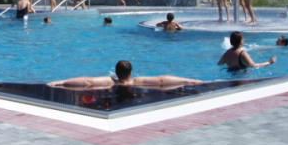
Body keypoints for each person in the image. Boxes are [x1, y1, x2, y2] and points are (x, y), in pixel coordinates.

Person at [49, 60, 202, 90]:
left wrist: (61, 82)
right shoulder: (138, 81)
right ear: (131, 72)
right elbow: (162, 80)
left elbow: (87, 82)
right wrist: (188, 80)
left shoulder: (110, 82)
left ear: (116, 72)